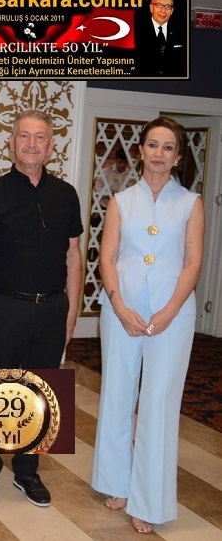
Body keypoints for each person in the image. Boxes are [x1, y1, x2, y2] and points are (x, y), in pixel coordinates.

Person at [92, 117, 204, 535]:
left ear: (177, 157)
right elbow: (107, 258)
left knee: (158, 402)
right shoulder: (121, 201)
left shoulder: (191, 203)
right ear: (141, 151)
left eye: (168, 147)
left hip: (172, 314)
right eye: (153, 145)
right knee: (118, 394)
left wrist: (171, 309)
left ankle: (148, 500)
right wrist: (119, 305)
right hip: (122, 310)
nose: (159, 153)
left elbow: (192, 262)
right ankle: (117, 483)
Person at [0, 110, 83, 508]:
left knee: (41, 394)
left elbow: (73, 255)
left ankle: (27, 470)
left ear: (51, 146)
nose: (32, 144)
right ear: (11, 143)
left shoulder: (66, 194)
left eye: (40, 137)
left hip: (52, 309)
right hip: (4, 308)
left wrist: (72, 312)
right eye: (24, 136)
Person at [133, 0, 186, 77]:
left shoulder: (181, 32)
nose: (163, 10)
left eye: (168, 6)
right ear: (151, 8)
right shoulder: (137, 30)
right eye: (158, 5)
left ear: (172, 11)